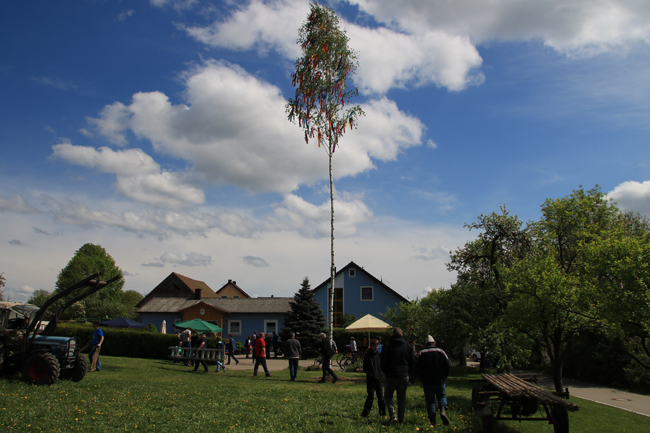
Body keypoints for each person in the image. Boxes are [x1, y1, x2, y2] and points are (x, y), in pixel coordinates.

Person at [380, 327, 414, 425]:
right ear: (402, 335)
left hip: (391, 374)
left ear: (392, 334)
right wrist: (409, 372)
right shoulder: (407, 346)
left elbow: (382, 360)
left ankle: (393, 414)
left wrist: (385, 371)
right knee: (401, 398)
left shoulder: (388, 345)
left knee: (388, 396)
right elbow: (412, 361)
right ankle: (401, 419)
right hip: (404, 375)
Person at [416, 335, 451, 426]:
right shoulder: (441, 351)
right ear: (434, 343)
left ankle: (432, 420)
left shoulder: (421, 353)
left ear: (426, 344)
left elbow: (417, 367)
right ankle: (442, 410)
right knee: (442, 396)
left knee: (430, 401)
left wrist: (420, 378)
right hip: (440, 380)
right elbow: (447, 365)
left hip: (427, 381)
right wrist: (445, 376)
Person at [361, 339, 385, 418]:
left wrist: (380, 374)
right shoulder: (368, 355)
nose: (376, 347)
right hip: (371, 379)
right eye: (375, 346)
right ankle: (365, 413)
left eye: (377, 346)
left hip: (378, 378)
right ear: (371, 346)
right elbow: (365, 367)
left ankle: (382, 412)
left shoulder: (379, 355)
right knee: (371, 396)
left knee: (381, 397)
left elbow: (381, 366)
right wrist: (370, 374)